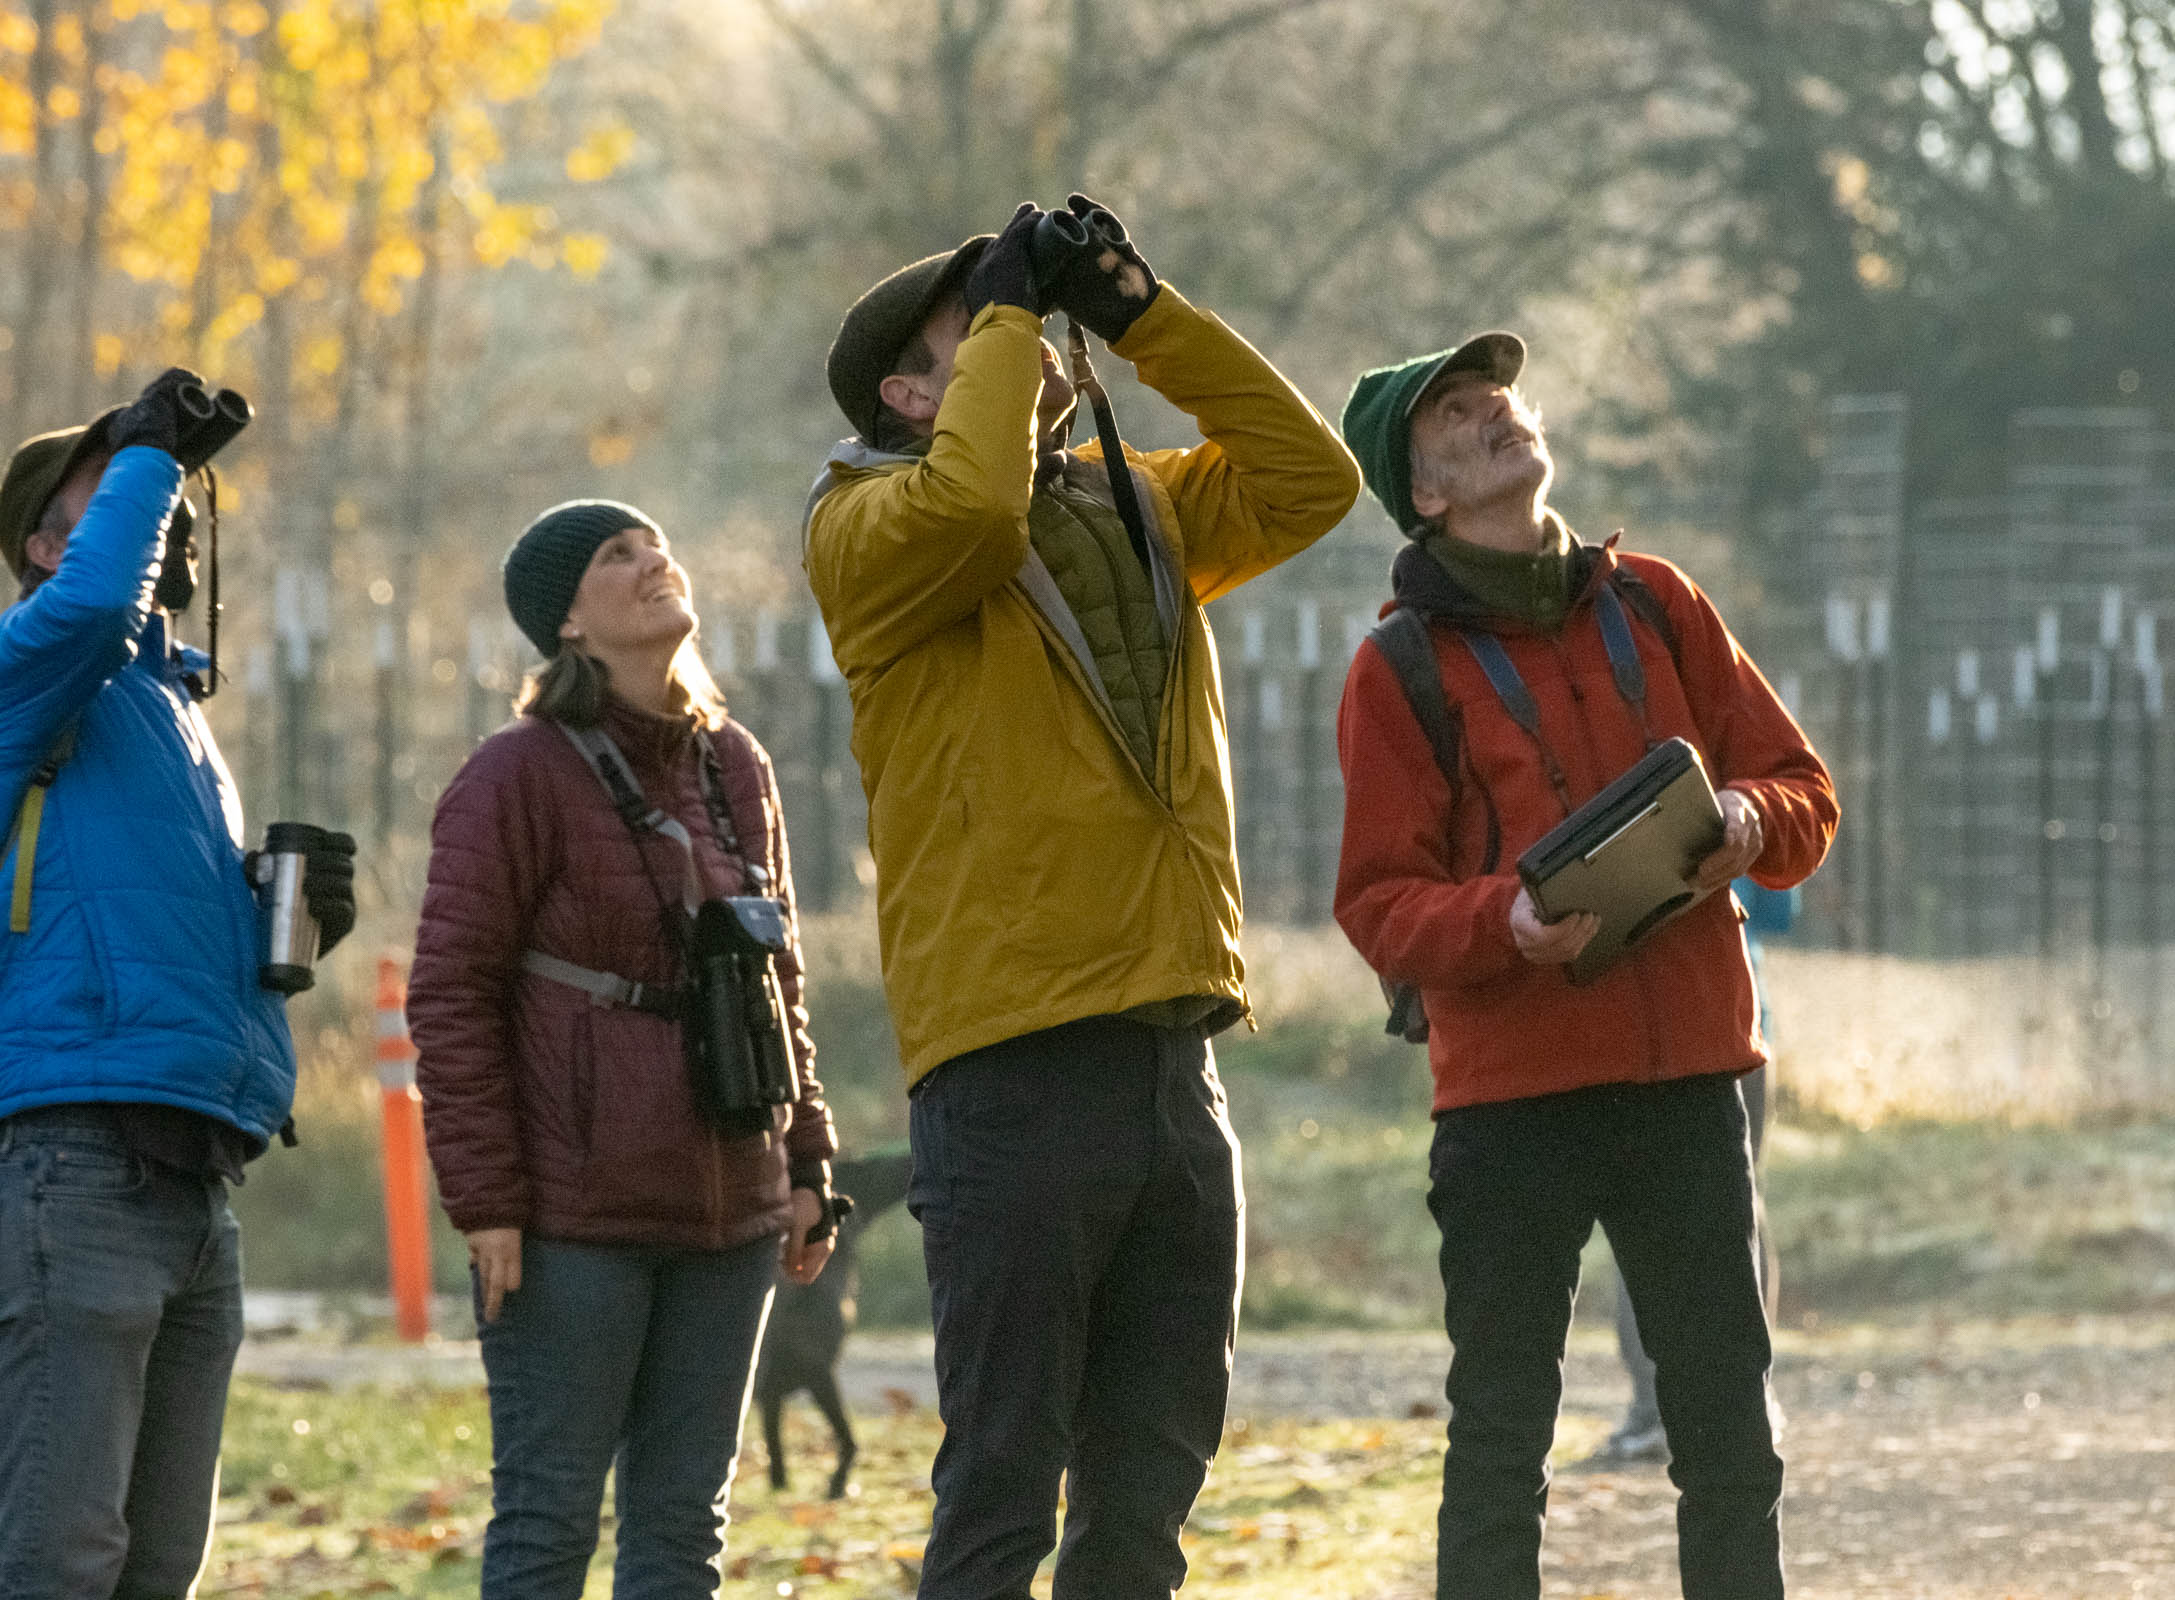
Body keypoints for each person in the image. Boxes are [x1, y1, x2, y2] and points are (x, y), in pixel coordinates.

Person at [803, 195, 1359, 1599]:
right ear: (907, 390)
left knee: (1147, 1492)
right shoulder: (863, 530)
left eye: (1020, 316)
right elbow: (976, 508)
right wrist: (1002, 308)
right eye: (976, 330)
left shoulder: (1136, 502)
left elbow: (1314, 479)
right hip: (1011, 1064)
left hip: (1176, 1053)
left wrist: (1137, 313)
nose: (1022, 335)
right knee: (1002, 1488)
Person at [1331, 332, 1837, 1600]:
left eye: (1497, 392)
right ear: (1426, 493)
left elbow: (1806, 792)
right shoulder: (1393, 670)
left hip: (1688, 1084)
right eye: (1456, 413)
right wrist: (1504, 922)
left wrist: (1745, 821)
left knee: (1730, 1443)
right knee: (1501, 1448)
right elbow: (1378, 906)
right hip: (1510, 1104)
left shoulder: (1661, 600)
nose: (1496, 409)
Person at [409, 500, 843, 1599]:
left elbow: (776, 977)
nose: (653, 560)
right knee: (550, 1525)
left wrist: (806, 1165)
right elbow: (450, 998)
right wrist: (488, 1202)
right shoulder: (514, 775)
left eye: (654, 544)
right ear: (566, 624)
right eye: (617, 555)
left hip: (730, 1212)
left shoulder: (733, 763)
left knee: (683, 1533)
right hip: (572, 1223)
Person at [0, 369, 355, 1598]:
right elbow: (97, 606)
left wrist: (290, 931)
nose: (161, 508)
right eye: (120, 490)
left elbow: (127, 938)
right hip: (73, 1158)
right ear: (44, 543)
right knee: (59, 1557)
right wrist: (149, 448)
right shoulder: (27, 671)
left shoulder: (171, 713)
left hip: (199, 1174)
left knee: (159, 1567)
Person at [1576, 877, 1792, 1472]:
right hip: (1733, 1023)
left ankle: (1660, 1406)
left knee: (1646, 1207)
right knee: (1740, 1203)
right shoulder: (1724, 797)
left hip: (1680, 1027)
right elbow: (1779, 908)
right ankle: (1742, 1396)